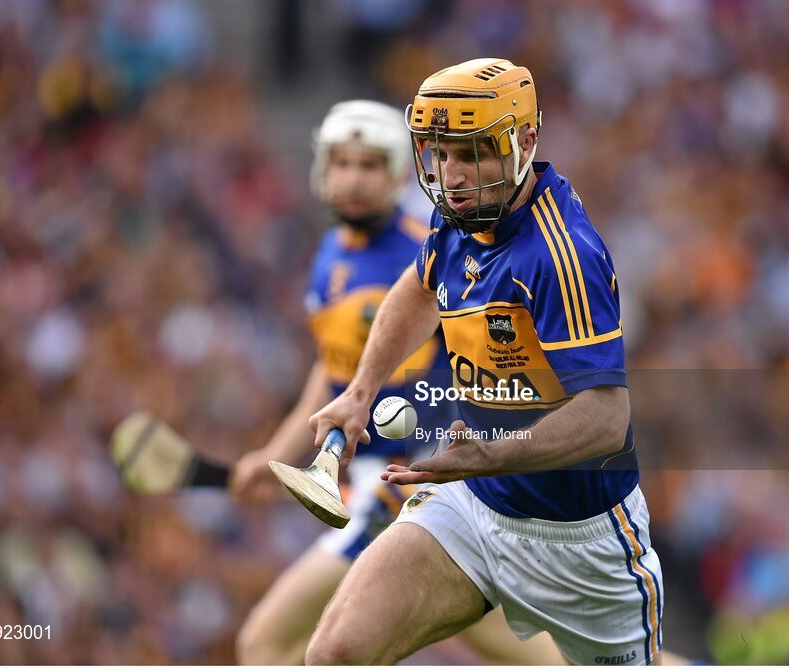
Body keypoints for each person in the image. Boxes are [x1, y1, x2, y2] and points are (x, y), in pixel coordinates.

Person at [305, 59, 664, 665]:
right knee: (335, 653)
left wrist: (491, 454)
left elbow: (605, 418)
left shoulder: (560, 253)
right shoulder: (461, 213)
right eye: (440, 154)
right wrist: (361, 389)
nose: (453, 176)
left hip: (582, 543)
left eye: (472, 154)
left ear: (525, 141)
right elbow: (420, 286)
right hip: (472, 504)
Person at [229, 99, 563, 665]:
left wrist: (433, 465)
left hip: (408, 484)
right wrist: (274, 453)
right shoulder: (331, 253)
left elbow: (492, 365)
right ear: (322, 171)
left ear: (396, 174)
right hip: (376, 482)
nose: (354, 179)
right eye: (343, 163)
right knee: (523, 649)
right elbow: (335, 371)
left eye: (370, 165)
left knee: (268, 641)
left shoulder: (428, 247)